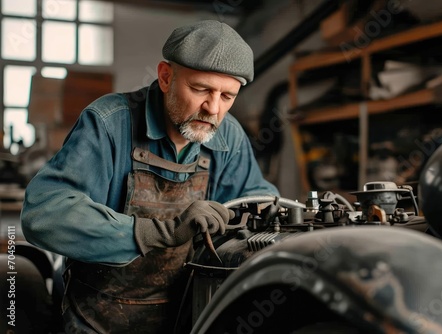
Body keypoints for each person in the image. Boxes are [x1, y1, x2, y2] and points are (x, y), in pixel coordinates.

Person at [21, 20, 279, 333]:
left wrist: (271, 212)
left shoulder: (229, 137)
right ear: (166, 77)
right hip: (98, 319)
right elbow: (45, 214)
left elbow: (255, 198)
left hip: (186, 315)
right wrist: (161, 231)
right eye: (200, 90)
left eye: (228, 96)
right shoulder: (108, 124)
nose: (213, 109)